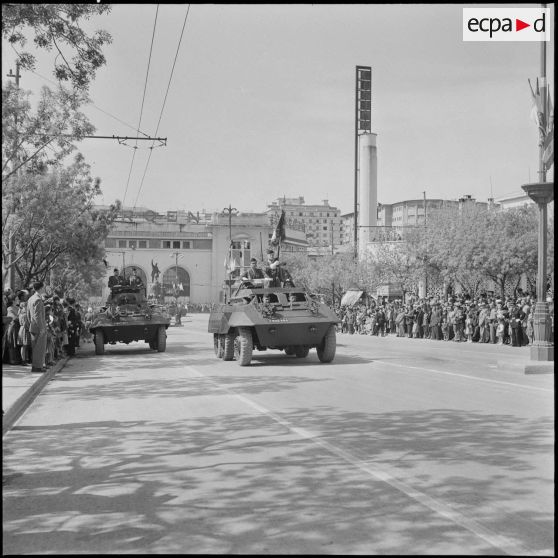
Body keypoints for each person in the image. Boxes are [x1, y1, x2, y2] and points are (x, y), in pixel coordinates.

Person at [26, 281, 47, 372]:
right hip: (39, 327)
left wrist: (30, 323)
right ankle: (38, 367)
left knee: (35, 348)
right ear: (41, 288)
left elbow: (28, 314)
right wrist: (42, 328)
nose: (44, 288)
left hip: (33, 326)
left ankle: (36, 366)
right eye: (44, 287)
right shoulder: (38, 299)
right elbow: (37, 316)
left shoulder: (31, 298)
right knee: (40, 348)